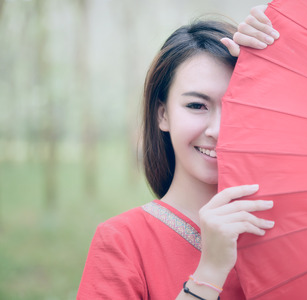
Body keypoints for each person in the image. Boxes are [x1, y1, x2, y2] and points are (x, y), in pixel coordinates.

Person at [78, 5, 279, 300]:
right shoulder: (122, 241)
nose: (218, 130)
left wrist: (285, 60)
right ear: (163, 115)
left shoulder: (284, 234)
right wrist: (210, 272)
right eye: (196, 105)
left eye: (237, 106)